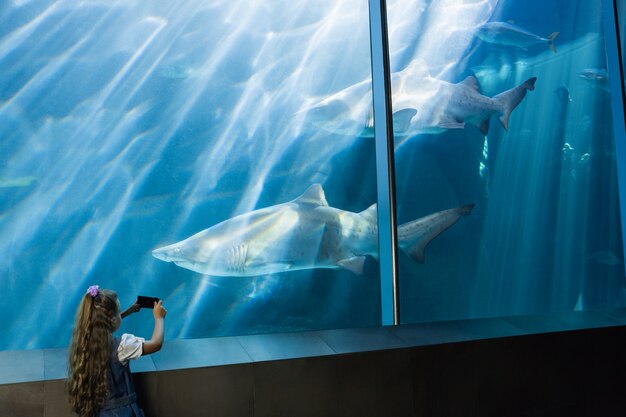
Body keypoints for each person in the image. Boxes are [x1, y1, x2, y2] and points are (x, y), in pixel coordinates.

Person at [67, 285, 167, 417]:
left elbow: (102, 324)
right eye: (118, 311)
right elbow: (156, 344)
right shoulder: (123, 346)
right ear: (112, 319)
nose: (120, 314)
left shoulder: (83, 344)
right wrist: (159, 318)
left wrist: (128, 311)